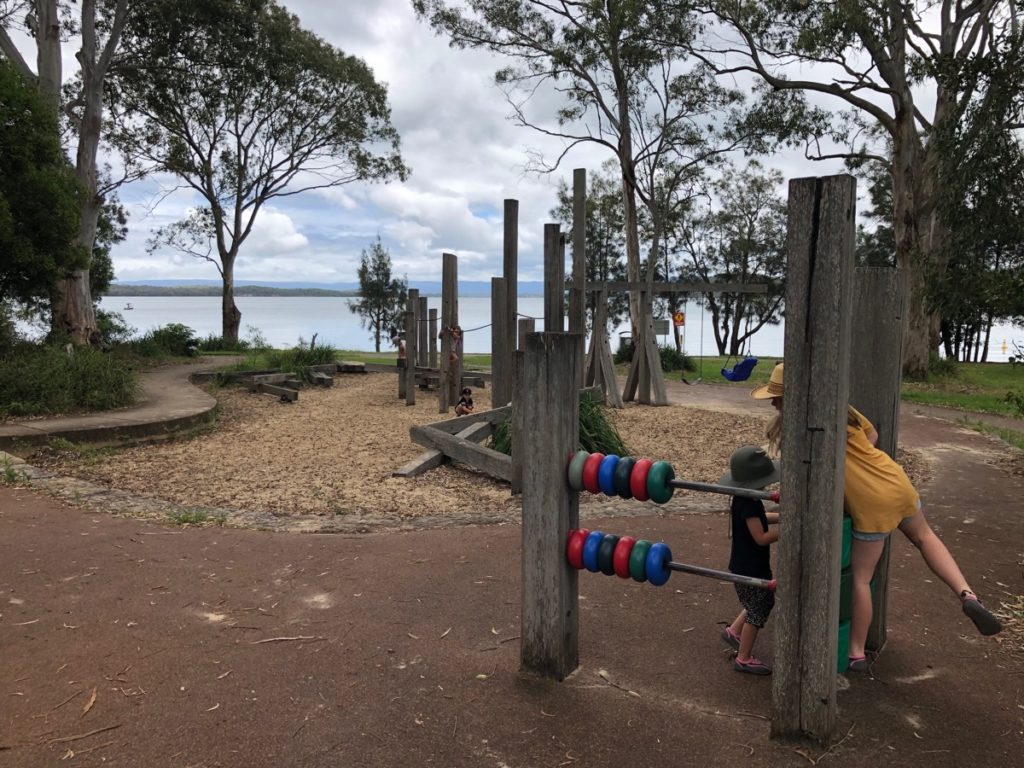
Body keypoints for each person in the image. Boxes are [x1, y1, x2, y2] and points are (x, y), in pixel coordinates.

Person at [751, 363, 1002, 672]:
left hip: (869, 503)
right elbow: (873, 434)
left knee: (861, 578)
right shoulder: (844, 408)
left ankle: (856, 651)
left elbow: (810, 479)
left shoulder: (802, 431)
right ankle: (967, 593)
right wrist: (857, 462)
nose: (773, 403)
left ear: (795, 397)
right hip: (893, 479)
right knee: (925, 538)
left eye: (777, 398)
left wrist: (846, 476)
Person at [719, 445, 781, 676]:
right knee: (760, 607)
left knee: (757, 601)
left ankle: (734, 632)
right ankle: (743, 658)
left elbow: (761, 519)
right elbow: (761, 536)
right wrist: (790, 529)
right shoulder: (748, 503)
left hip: (745, 564)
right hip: (750, 567)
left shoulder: (744, 499)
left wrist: (782, 516)